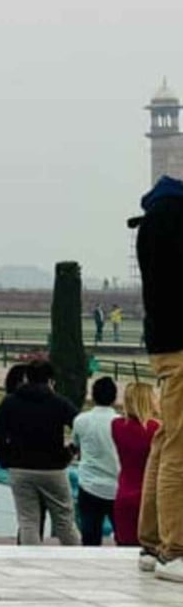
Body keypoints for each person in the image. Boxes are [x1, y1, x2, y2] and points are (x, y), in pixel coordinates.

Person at [133, 174, 183, 579]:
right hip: (181, 344)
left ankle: (151, 544)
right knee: (180, 448)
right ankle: (176, 550)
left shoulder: (159, 214)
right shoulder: (173, 217)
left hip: (166, 344)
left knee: (167, 440)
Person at [0, 359, 80, 545]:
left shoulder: (10, 402)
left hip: (20, 468)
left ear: (27, 377)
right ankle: (78, 557)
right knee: (64, 521)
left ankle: (29, 561)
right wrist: (70, 451)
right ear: (50, 381)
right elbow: (80, 427)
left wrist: (6, 459)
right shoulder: (58, 402)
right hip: (53, 468)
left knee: (28, 521)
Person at [71, 377, 121, 546]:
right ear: (114, 398)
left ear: (92, 396)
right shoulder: (120, 423)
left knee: (90, 536)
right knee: (122, 536)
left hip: (89, 484)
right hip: (116, 484)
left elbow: (76, 446)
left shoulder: (81, 420)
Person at [113, 382, 160, 549]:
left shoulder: (117, 426)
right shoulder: (156, 430)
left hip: (124, 493)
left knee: (124, 548)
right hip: (149, 497)